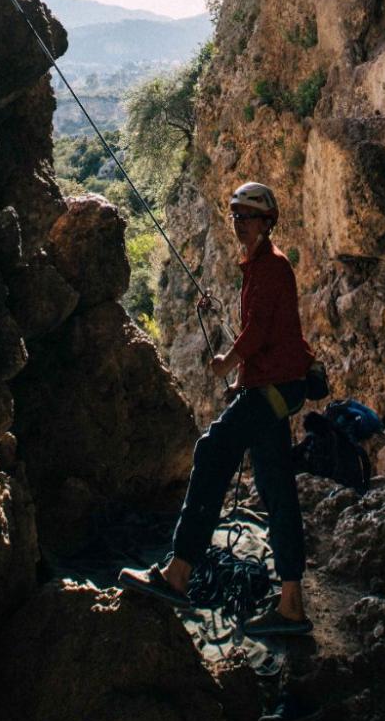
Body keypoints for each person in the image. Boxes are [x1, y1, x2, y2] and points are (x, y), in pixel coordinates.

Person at [118, 181, 315, 638]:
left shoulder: (272, 268)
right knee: (275, 487)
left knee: (211, 452)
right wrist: (242, 375)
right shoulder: (260, 267)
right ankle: (291, 603)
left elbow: (261, 331)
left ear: (266, 222)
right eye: (235, 216)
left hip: (271, 389)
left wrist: (229, 361)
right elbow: (263, 330)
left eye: (245, 216)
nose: (237, 223)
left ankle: (178, 573)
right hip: (273, 389)